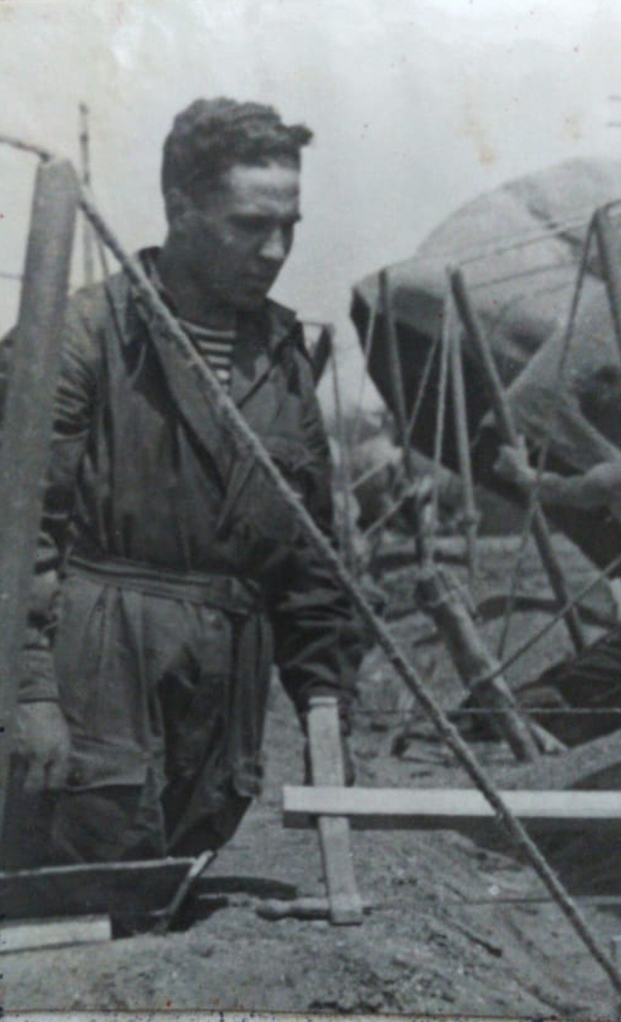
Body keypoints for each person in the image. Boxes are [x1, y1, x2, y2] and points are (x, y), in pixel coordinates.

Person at [2, 97, 363, 866]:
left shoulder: (283, 357)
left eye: (289, 226)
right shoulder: (80, 339)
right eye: (251, 225)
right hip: (95, 695)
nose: (275, 250)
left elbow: (310, 556)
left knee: (170, 901)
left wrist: (326, 705)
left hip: (220, 718)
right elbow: (15, 542)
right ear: (180, 209)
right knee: (79, 900)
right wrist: (28, 695)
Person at [493, 364, 621, 743]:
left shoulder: (619, 475)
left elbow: (553, 490)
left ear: (601, 427)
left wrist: (518, 469)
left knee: (556, 689)